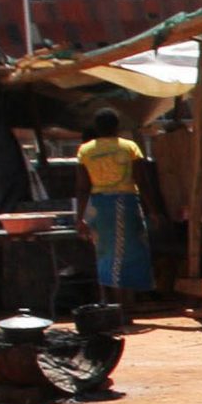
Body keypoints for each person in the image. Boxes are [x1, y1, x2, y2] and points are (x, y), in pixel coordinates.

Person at [73, 109, 152, 300]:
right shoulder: (129, 147)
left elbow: (82, 188)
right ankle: (125, 303)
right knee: (131, 253)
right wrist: (153, 210)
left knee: (105, 253)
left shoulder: (85, 150)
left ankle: (111, 303)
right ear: (117, 127)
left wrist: (81, 218)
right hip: (126, 204)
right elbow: (142, 181)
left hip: (99, 207)